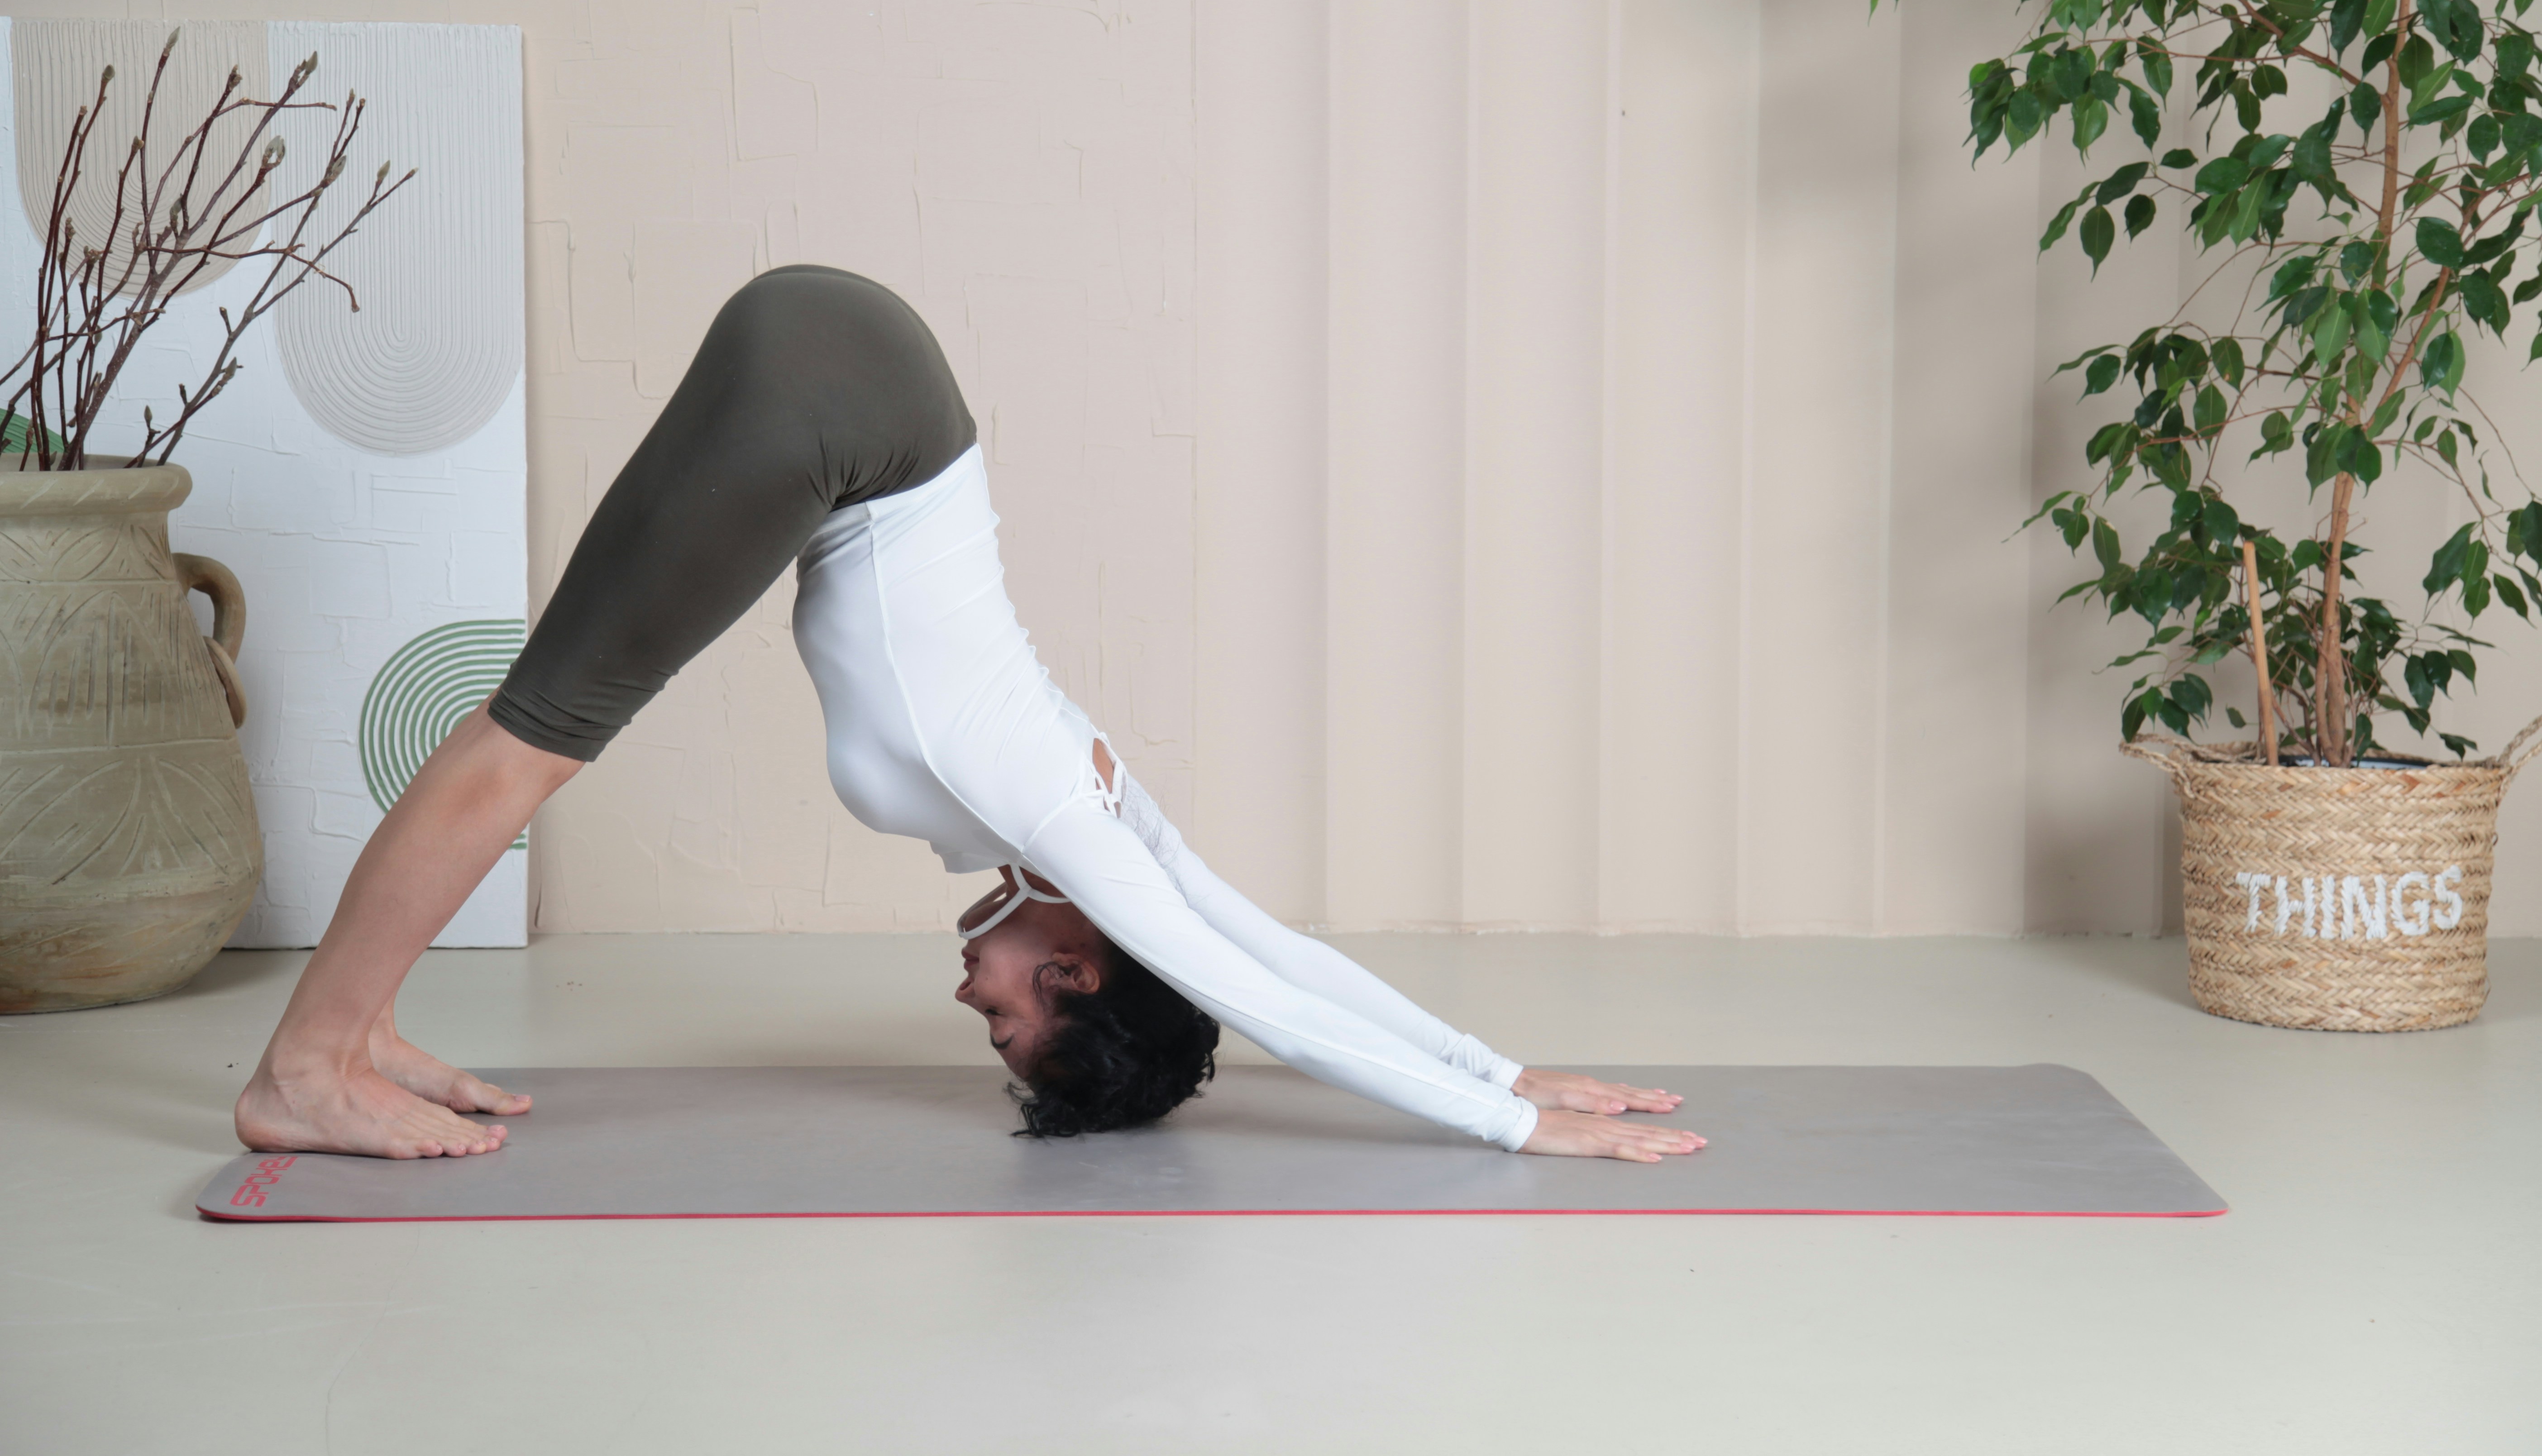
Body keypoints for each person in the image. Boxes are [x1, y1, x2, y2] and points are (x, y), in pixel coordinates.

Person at [234, 267, 1701, 1165]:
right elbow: (1275, 1003)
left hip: (863, 381)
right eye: (1003, 1030)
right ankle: (308, 1068)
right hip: (838, 411)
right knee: (534, 737)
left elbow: (1280, 947)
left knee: (544, 724)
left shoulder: (1094, 823)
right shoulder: (1080, 834)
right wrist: (1511, 1123)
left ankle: (357, 1036)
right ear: (1074, 980)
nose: (966, 1006)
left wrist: (1501, 1061)